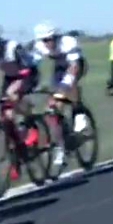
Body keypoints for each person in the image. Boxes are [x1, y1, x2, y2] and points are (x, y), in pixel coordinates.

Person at [0, 24, 41, 166]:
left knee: (12, 95)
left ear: (0, 41)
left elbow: (26, 70)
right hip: (10, 77)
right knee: (6, 113)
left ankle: (29, 119)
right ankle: (17, 145)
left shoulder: (13, 48)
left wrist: (17, 87)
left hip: (28, 74)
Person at [29, 21, 88, 168]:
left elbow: (74, 67)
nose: (48, 43)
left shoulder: (68, 42)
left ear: (57, 37)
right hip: (60, 68)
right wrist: (32, 83)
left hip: (76, 64)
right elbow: (32, 66)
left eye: (50, 39)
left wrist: (64, 86)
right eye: (45, 40)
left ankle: (79, 113)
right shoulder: (39, 46)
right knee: (52, 109)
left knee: (70, 85)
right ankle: (61, 147)